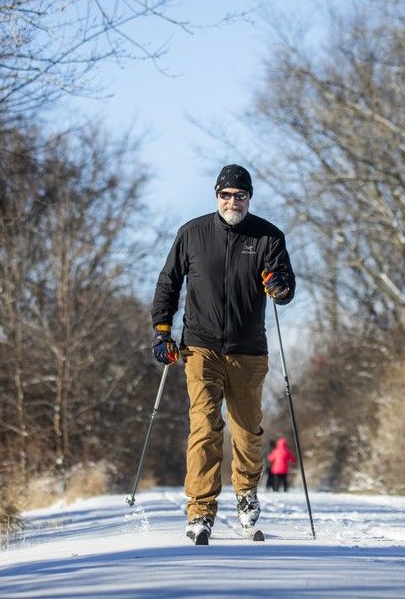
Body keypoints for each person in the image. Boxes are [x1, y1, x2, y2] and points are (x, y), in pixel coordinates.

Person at [150, 164, 295, 543]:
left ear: (249, 198)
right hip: (200, 346)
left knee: (247, 429)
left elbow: (285, 286)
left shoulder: (268, 236)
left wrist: (279, 286)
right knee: (205, 425)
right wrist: (162, 330)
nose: (233, 202)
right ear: (217, 196)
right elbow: (168, 282)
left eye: (240, 196)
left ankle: (246, 496)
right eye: (226, 195)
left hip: (248, 350)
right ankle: (200, 509)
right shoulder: (192, 233)